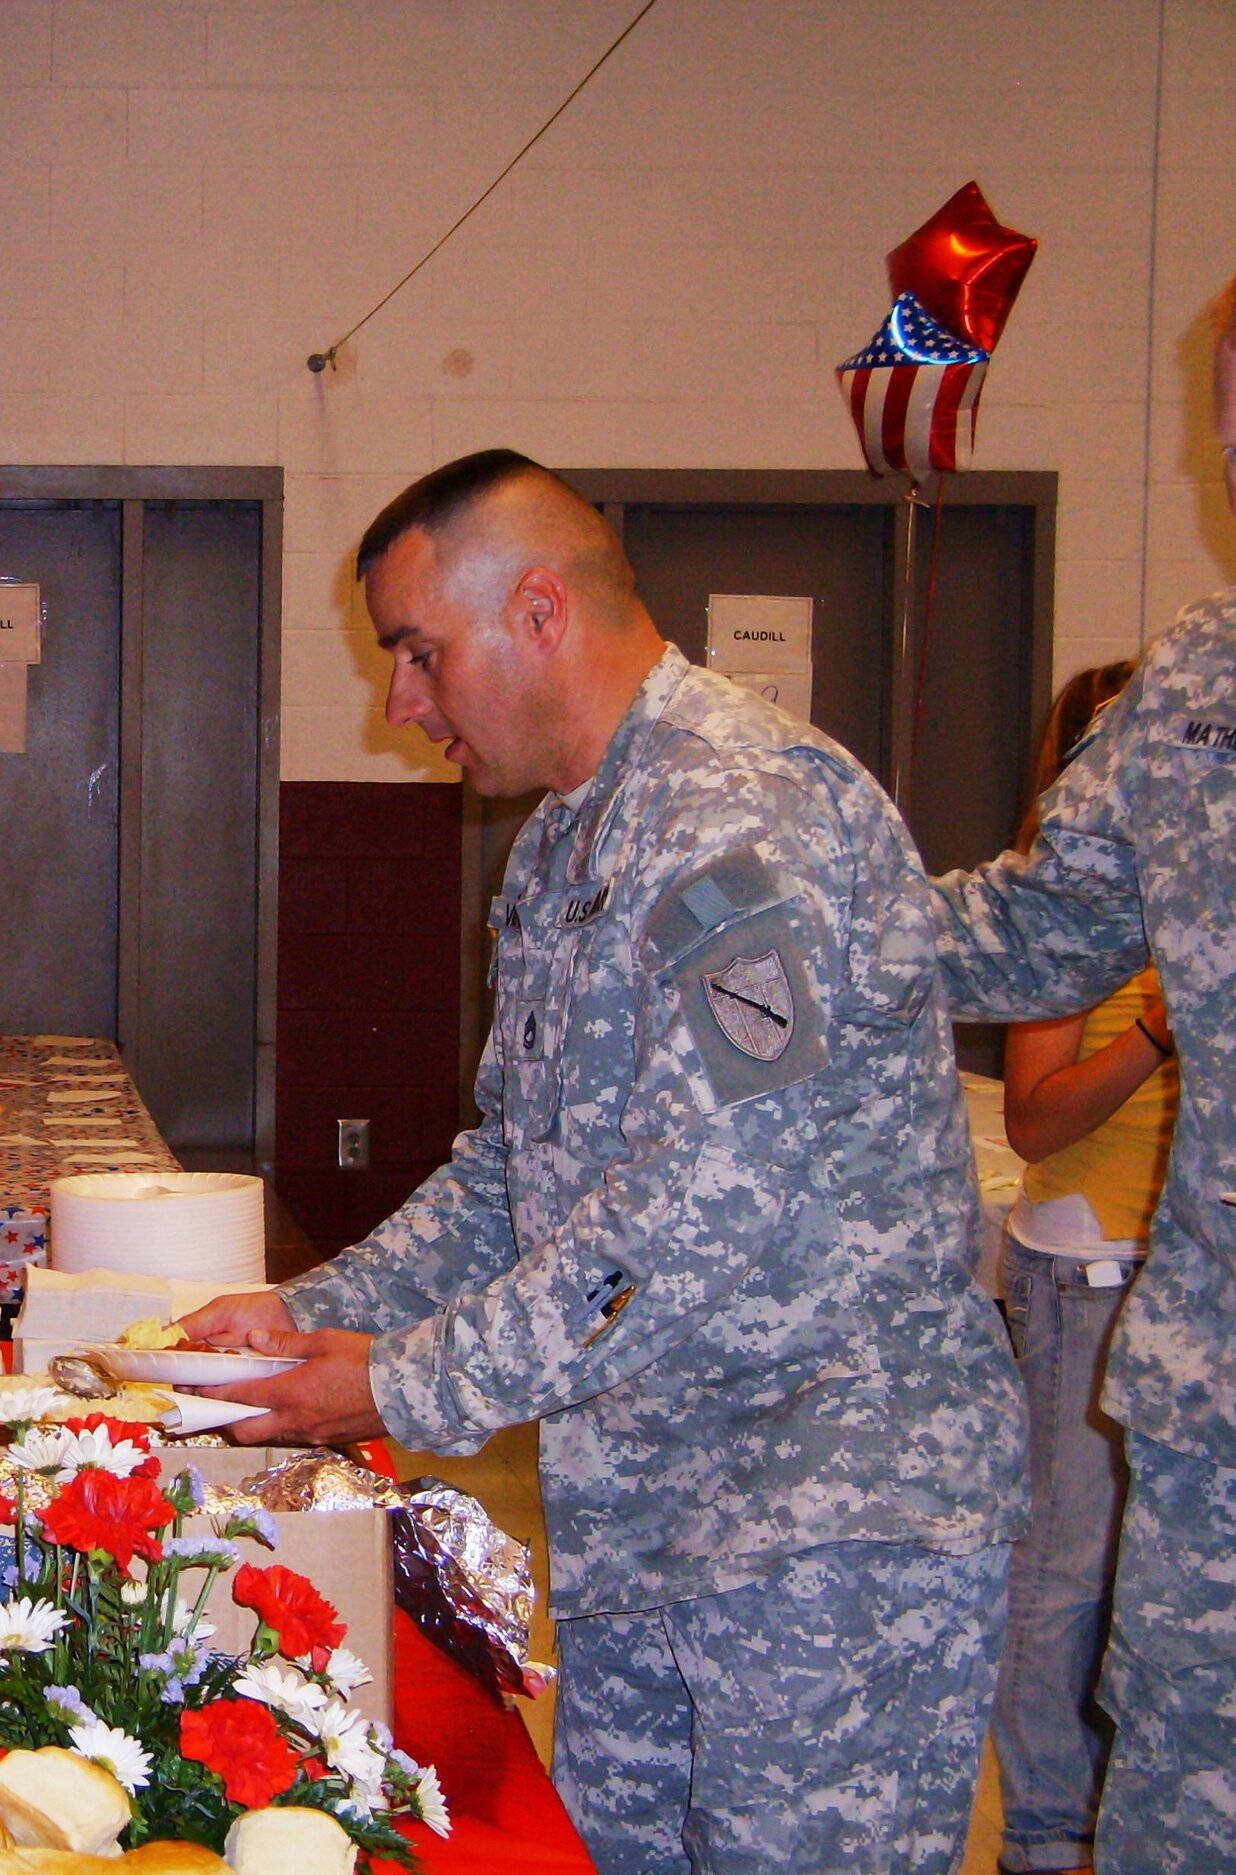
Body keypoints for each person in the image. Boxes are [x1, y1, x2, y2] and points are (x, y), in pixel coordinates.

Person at [184, 450, 1025, 1873]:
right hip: (652, 1511)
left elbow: (702, 1212)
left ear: (537, 609)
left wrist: (394, 1380)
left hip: (827, 1527)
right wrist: (313, 1312)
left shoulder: (734, 817)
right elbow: (511, 1171)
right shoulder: (567, 840)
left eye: (417, 654)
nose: (400, 702)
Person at [930, 275, 1236, 1875]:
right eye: (1231, 410)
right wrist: (814, 909)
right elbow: (1040, 930)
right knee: (1177, 1780)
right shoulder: (1201, 690)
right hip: (1214, 1416)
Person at [991, 662, 1176, 1875]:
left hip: (1186, 1277)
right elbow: (1032, 1121)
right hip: (1085, 1276)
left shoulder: (1196, 894)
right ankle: (1049, 1837)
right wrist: (1155, 1035)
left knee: (1165, 1576)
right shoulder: (1064, 916)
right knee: (1064, 1572)